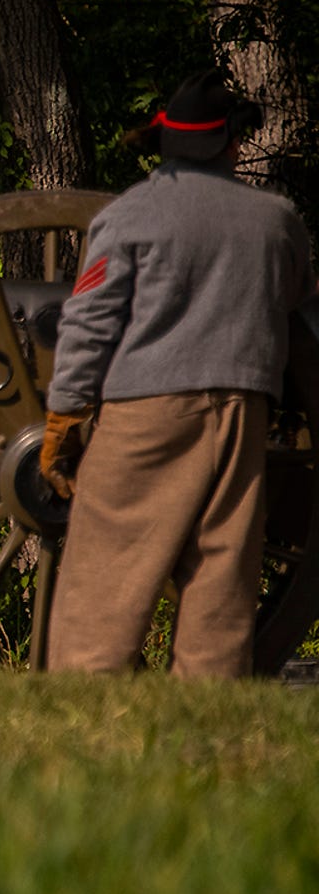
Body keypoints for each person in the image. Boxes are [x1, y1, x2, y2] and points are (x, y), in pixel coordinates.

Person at [42, 72, 314, 677]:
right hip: (245, 408)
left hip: (148, 407)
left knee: (108, 561)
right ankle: (206, 708)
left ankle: (84, 702)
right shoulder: (276, 220)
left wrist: (65, 411)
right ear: (231, 146)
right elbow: (300, 297)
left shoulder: (131, 215)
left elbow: (89, 320)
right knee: (225, 566)